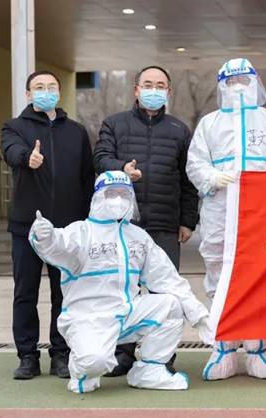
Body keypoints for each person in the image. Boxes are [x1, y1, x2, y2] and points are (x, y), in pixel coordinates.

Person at [29, 171, 212, 393]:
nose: (118, 200)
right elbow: (57, 245)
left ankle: (149, 371)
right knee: (94, 363)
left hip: (127, 313)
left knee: (171, 305)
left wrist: (199, 315)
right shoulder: (81, 232)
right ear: (98, 197)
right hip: (89, 318)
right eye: (111, 194)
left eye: (124, 194)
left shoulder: (138, 237)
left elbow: (167, 278)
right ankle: (82, 370)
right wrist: (44, 236)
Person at [186, 58, 266, 380]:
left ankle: (258, 350)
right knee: (219, 275)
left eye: (244, 81)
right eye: (232, 82)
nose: (239, 87)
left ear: (255, 83)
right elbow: (195, 163)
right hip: (220, 210)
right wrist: (212, 177)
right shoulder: (210, 123)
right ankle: (224, 349)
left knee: (260, 279)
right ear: (222, 86)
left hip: (263, 214)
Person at [93, 65, 200, 376]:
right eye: (148, 84)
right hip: (123, 224)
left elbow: (188, 179)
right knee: (122, 291)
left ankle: (160, 356)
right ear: (136, 90)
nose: (154, 90)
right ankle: (122, 354)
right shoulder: (114, 124)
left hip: (165, 224)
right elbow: (100, 158)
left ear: (168, 92)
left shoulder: (179, 130)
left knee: (165, 294)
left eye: (160, 85)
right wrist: (121, 168)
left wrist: (188, 220)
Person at [1, 70, 95, 380]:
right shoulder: (14, 127)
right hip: (27, 227)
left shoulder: (77, 132)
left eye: (51, 86)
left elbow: (87, 178)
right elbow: (10, 151)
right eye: (39, 87)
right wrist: (27, 157)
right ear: (28, 94)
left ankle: (61, 354)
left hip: (67, 230)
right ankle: (27, 356)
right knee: (25, 293)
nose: (46, 91)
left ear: (59, 91)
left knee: (63, 294)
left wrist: (86, 220)